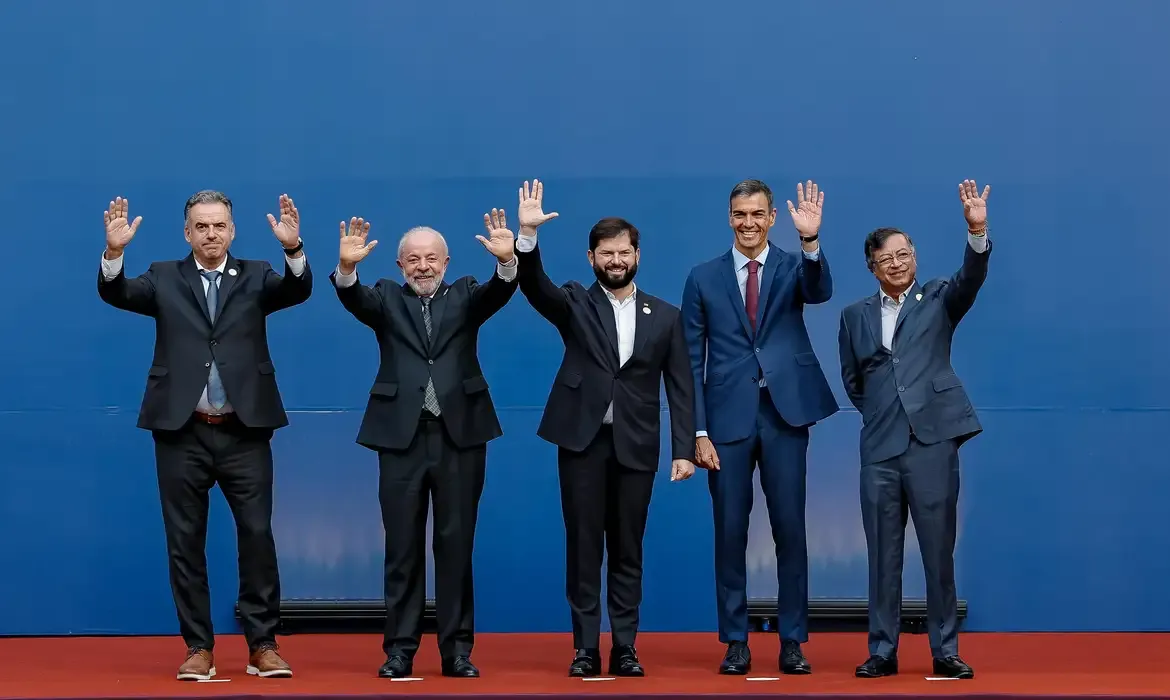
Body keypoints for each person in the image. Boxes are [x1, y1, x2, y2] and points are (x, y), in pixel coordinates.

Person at [96, 191, 313, 681]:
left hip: (245, 430)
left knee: (257, 536)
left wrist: (293, 248)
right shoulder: (163, 276)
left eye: (219, 225)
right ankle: (198, 647)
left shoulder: (256, 274)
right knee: (185, 542)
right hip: (182, 431)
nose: (211, 234)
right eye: (201, 226)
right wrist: (113, 252)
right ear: (187, 233)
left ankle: (263, 644)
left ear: (232, 230)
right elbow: (117, 292)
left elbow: (297, 289)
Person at [509, 180, 697, 677]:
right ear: (591, 258)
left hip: (637, 445)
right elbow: (535, 286)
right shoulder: (575, 301)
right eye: (606, 253)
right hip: (582, 443)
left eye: (624, 252)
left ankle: (626, 647)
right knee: (584, 547)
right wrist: (527, 236)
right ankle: (586, 648)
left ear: (637, 255)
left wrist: (684, 448)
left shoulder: (667, 316)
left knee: (629, 549)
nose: (616, 260)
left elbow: (681, 387)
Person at [329, 211, 519, 679]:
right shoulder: (386, 298)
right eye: (413, 259)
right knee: (402, 549)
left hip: (461, 436)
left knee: (456, 547)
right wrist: (347, 268)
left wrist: (507, 260)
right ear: (399, 265)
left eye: (431, 258)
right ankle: (400, 650)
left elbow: (500, 291)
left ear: (446, 262)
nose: (423, 266)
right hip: (401, 438)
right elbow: (353, 297)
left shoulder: (467, 294)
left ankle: (457, 652)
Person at [680, 179, 838, 675]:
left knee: (790, 530)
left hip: (784, 416)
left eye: (756, 214)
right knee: (729, 533)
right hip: (725, 422)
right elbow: (690, 361)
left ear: (771, 218)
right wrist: (697, 432)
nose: (747, 223)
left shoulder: (794, 266)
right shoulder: (703, 277)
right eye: (739, 214)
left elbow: (820, 291)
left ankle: (793, 640)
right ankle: (735, 641)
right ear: (729, 217)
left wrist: (810, 241)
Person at [837, 180, 991, 680]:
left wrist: (976, 230)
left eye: (904, 254)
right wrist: (884, 413)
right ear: (872, 267)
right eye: (887, 259)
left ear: (915, 257)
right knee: (883, 557)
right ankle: (882, 650)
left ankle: (945, 651)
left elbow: (972, 277)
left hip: (931, 444)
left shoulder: (940, 296)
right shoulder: (853, 316)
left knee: (937, 553)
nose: (897, 263)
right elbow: (854, 382)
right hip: (879, 449)